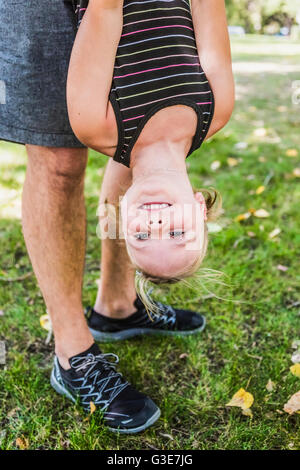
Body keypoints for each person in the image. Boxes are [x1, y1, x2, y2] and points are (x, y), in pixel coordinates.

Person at [0, 0, 234, 433]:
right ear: (201, 208)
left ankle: (115, 309)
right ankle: (87, 336)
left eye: (143, 236)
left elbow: (106, 10)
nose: (158, 223)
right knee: (73, 160)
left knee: (62, 159)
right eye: (178, 231)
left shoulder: (98, 123)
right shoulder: (216, 110)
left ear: (121, 216)